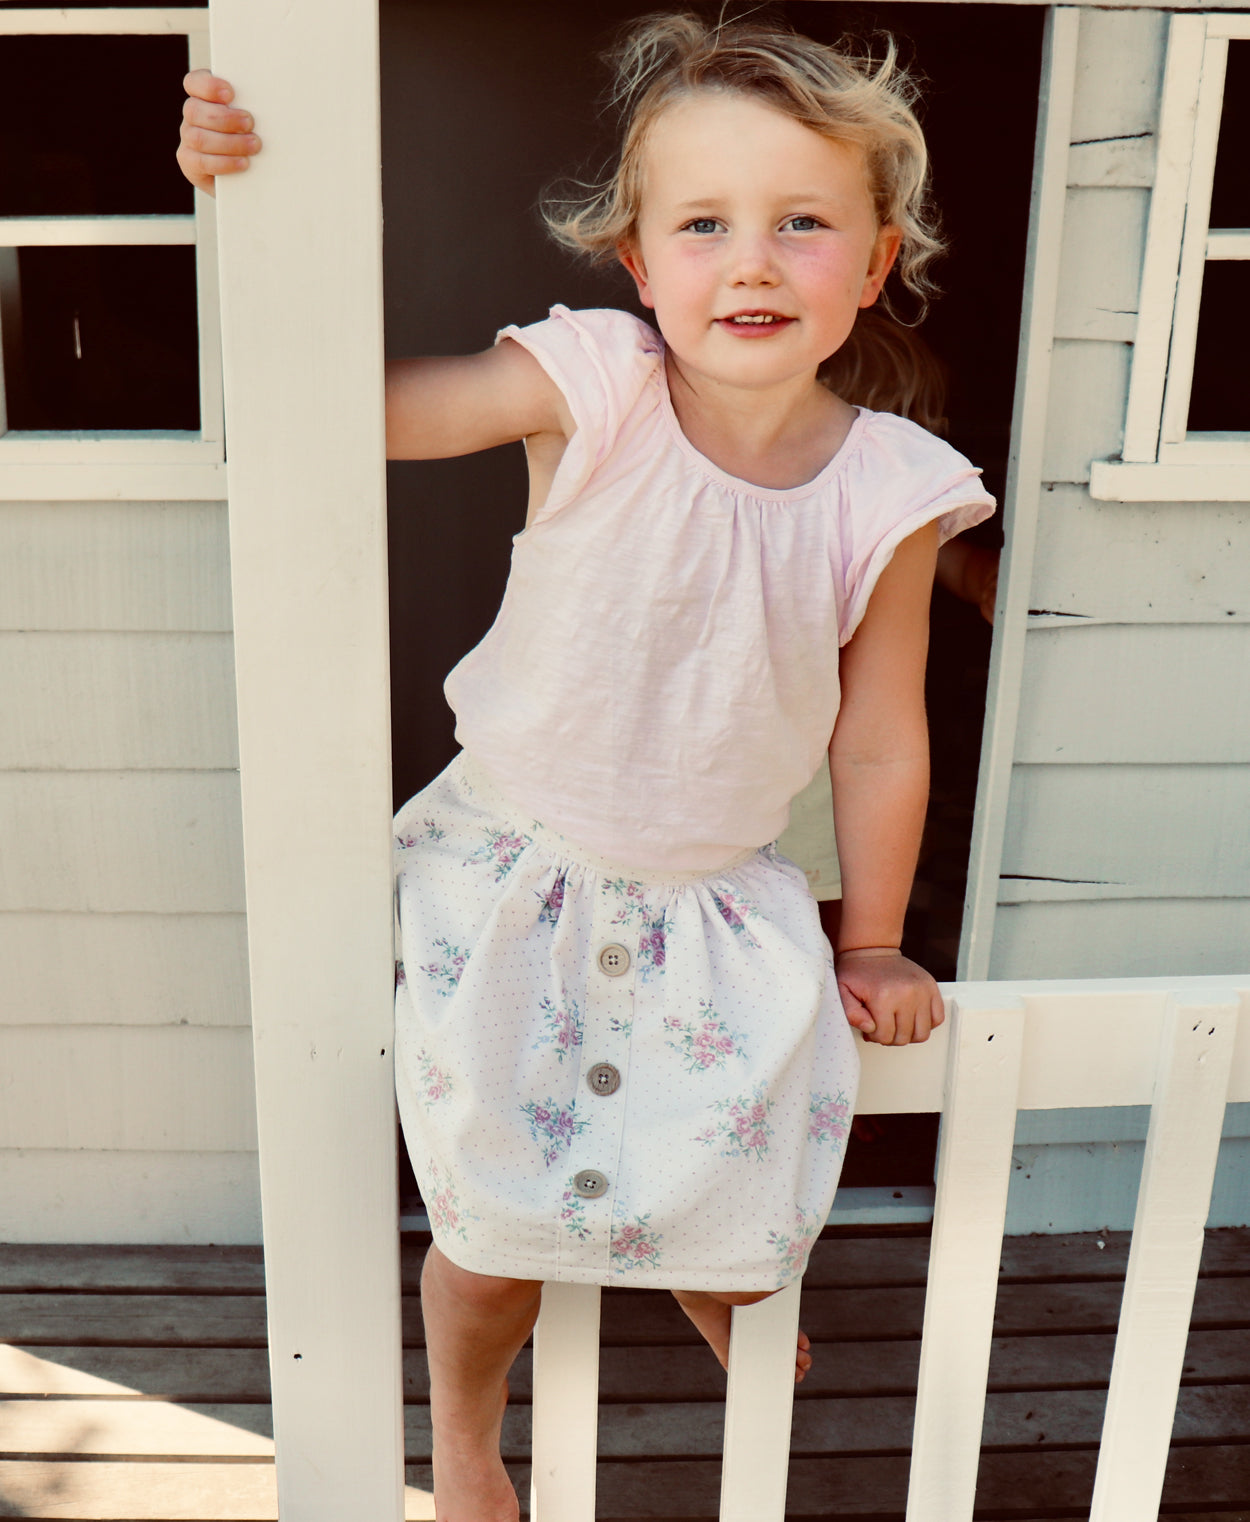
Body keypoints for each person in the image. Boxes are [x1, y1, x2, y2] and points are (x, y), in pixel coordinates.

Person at [177, 13, 994, 1520]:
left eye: (802, 224)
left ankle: (697, 1271)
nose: (750, 261)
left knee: (741, 1189)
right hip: (515, 867)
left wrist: (868, 935)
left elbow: (883, 731)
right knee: (489, 1226)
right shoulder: (598, 384)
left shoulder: (891, 484)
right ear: (636, 262)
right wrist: (243, 215)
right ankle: (472, 1437)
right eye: (703, 225)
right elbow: (346, 413)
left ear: (872, 266)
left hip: (718, 896)